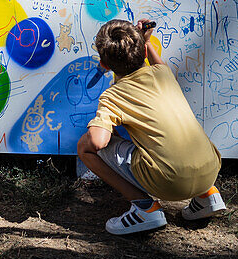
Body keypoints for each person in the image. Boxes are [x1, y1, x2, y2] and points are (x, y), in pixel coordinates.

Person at [77, 18, 226, 236]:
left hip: (169, 183)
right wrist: (144, 41)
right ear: (145, 52)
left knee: (86, 147)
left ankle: (145, 209)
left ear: (105, 65)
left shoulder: (113, 96)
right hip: (211, 170)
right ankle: (207, 197)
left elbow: (98, 142)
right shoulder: (162, 74)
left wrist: (94, 127)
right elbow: (156, 64)